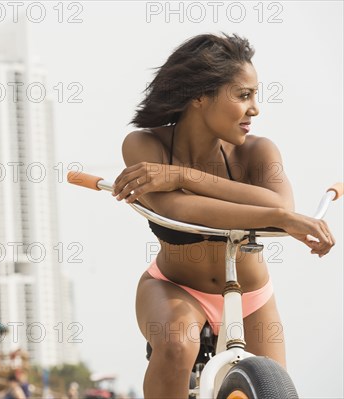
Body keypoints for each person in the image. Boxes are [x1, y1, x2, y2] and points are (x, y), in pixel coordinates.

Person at [111, 32, 336, 398]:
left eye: (255, 96)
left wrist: (184, 176)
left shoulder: (258, 152)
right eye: (243, 95)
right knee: (176, 345)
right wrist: (274, 214)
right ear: (200, 96)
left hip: (253, 295)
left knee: (272, 386)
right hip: (174, 287)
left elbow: (279, 204)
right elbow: (174, 208)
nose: (255, 109)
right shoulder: (143, 144)